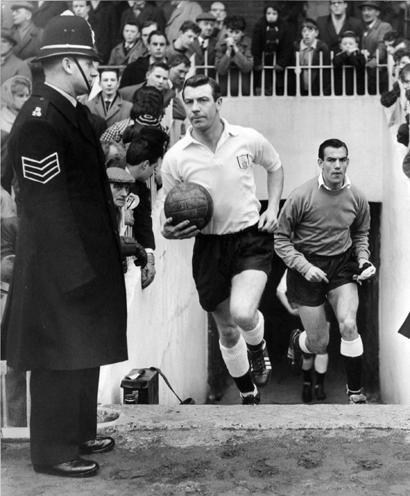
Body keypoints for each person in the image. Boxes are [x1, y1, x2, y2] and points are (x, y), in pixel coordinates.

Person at [2, 14, 128, 477]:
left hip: (83, 255)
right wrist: (75, 271)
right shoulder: (39, 119)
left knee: (83, 348)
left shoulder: (69, 111)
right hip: (59, 263)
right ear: (65, 63)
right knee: (58, 356)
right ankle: (52, 452)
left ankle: (77, 433)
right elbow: (46, 206)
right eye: (89, 62)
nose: (95, 71)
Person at [161, 74, 284, 404]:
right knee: (227, 330)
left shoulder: (246, 139)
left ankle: (258, 347)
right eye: (189, 101)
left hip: (249, 239)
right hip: (209, 247)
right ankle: (248, 391)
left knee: (244, 314)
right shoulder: (176, 157)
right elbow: (166, 211)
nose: (195, 108)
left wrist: (272, 207)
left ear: (218, 103)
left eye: (203, 100)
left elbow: (274, 167)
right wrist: (167, 230)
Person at [274, 138, 376, 405]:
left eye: (342, 159)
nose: (337, 165)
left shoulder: (357, 197)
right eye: (331, 160)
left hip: (342, 266)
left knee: (349, 324)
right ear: (320, 163)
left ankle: (355, 392)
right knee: (319, 344)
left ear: (348, 162)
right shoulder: (301, 196)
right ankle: (298, 342)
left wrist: (363, 260)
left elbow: (361, 233)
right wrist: (304, 267)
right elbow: (281, 240)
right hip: (306, 269)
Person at [122, 125, 169, 288]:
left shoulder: (141, 189)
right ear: (145, 165)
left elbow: (143, 223)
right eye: (154, 168)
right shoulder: (109, 171)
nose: (154, 174)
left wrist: (149, 256)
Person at [276, 269, 329, 403]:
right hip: (304, 311)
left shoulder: (327, 260)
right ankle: (307, 383)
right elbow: (280, 290)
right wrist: (290, 309)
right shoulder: (294, 266)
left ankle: (319, 385)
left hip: (323, 310)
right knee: (308, 351)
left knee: (322, 347)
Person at [251, 2, 293, 95]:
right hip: (264, 61)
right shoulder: (259, 25)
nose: (271, 16)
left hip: (278, 60)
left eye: (274, 14)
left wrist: (281, 63)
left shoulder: (284, 26)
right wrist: (257, 62)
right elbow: (255, 46)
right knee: (262, 85)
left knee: (280, 86)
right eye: (268, 13)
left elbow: (287, 47)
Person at [215, 15, 254, 96]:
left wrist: (235, 49)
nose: (233, 35)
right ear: (226, 31)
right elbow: (220, 70)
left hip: (244, 88)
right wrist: (228, 51)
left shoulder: (248, 43)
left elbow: (247, 67)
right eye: (231, 32)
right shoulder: (220, 44)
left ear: (243, 33)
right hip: (225, 89)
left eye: (237, 32)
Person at [290, 18, 331, 96]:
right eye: (304, 31)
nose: (306, 34)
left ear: (316, 33)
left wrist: (325, 91)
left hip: (317, 88)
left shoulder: (322, 48)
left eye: (310, 31)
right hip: (299, 89)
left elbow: (326, 72)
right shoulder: (295, 47)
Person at [359, 1, 392, 94]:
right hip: (368, 74)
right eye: (364, 10)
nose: (366, 13)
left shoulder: (384, 26)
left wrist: (375, 59)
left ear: (377, 13)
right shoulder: (364, 29)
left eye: (369, 10)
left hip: (380, 72)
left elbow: (382, 45)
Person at [333, 30, 366, 95]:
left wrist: (351, 55)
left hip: (357, 89)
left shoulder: (360, 55)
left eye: (351, 44)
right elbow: (336, 63)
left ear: (356, 45)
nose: (348, 46)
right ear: (340, 46)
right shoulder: (338, 56)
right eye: (344, 44)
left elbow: (359, 65)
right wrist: (346, 54)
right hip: (341, 89)